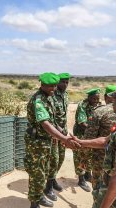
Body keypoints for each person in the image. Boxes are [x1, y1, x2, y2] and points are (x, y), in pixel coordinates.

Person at [24, 72, 80, 208]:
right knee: (38, 173)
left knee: (48, 169)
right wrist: (64, 139)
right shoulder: (38, 101)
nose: (53, 89)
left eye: (54, 86)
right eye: (50, 86)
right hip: (37, 143)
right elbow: (45, 124)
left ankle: (41, 194)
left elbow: (52, 121)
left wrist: (62, 131)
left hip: (47, 141)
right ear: (42, 85)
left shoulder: (47, 97)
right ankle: (34, 204)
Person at [84, 85, 116, 191]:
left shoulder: (99, 112)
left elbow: (88, 139)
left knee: (98, 187)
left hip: (101, 158)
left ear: (105, 97)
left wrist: (84, 158)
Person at [44, 72, 70, 201]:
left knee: (60, 158)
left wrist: (64, 131)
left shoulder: (66, 96)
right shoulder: (52, 96)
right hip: (54, 133)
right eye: (63, 82)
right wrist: (58, 130)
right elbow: (50, 117)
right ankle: (48, 187)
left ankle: (53, 180)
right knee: (53, 160)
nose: (65, 84)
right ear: (57, 83)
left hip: (63, 132)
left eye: (67, 82)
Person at [73, 88, 101, 192]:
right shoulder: (82, 105)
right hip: (81, 134)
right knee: (81, 156)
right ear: (89, 97)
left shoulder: (98, 104)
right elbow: (82, 123)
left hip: (92, 134)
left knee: (90, 155)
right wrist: (94, 130)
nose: (96, 101)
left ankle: (88, 175)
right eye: (94, 98)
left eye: (97, 98)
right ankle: (81, 179)